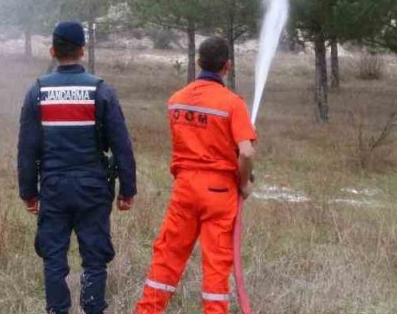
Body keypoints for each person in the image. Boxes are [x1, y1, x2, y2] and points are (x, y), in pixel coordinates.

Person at [18, 21, 137, 314]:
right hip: (93, 186)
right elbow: (122, 145)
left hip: (54, 187)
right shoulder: (100, 90)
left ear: (52, 51)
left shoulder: (38, 91)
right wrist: (127, 190)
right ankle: (93, 307)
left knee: (53, 256)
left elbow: (26, 148)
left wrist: (28, 192)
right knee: (94, 257)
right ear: (82, 50)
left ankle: (57, 310)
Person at [135, 36, 257, 314]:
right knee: (216, 264)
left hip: (185, 188)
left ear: (199, 62)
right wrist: (244, 183)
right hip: (219, 192)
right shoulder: (232, 103)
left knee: (167, 256)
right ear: (227, 66)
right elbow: (247, 153)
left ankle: (147, 309)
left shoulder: (176, 100)